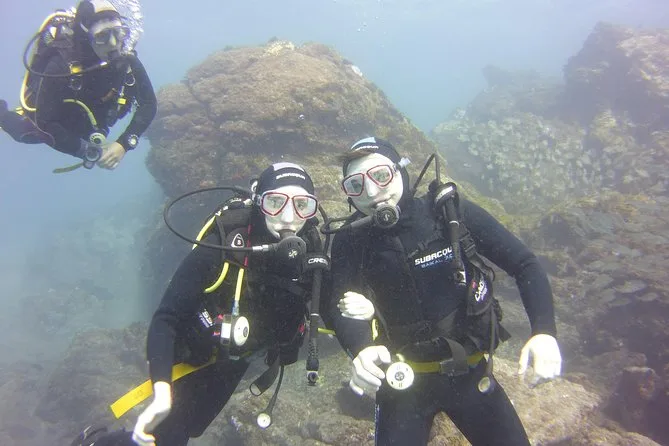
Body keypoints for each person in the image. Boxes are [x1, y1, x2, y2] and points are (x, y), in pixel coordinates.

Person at [324, 137, 562, 445]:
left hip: (470, 373)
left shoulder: (449, 212)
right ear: (347, 193)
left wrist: (544, 331)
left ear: (401, 170)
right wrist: (361, 348)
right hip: (401, 381)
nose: (371, 192)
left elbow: (524, 264)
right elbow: (339, 305)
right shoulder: (350, 240)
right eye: (356, 185)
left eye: (381, 175)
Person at [71, 162, 326, 446]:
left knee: (191, 428)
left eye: (302, 205)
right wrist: (162, 391)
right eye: (275, 202)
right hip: (193, 349)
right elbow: (167, 317)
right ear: (258, 202)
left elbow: (332, 303)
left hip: (237, 359)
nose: (289, 218)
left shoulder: (313, 249)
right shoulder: (223, 244)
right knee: (169, 434)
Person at [0, 0, 156, 170]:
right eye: (102, 36)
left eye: (119, 33)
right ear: (86, 37)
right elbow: (44, 123)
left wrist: (124, 144)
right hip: (57, 122)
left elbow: (148, 104)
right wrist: (84, 150)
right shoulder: (61, 66)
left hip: (94, 123)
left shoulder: (127, 59)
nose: (113, 43)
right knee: (25, 133)